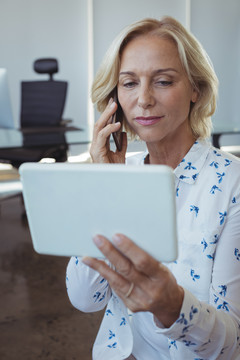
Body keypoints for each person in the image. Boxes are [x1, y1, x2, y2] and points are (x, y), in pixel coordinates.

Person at [66, 16, 240, 360]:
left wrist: (173, 308)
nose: (143, 99)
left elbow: (232, 345)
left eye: (162, 81)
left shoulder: (231, 183)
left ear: (196, 89)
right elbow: (85, 299)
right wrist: (105, 185)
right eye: (129, 83)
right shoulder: (120, 174)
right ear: (114, 98)